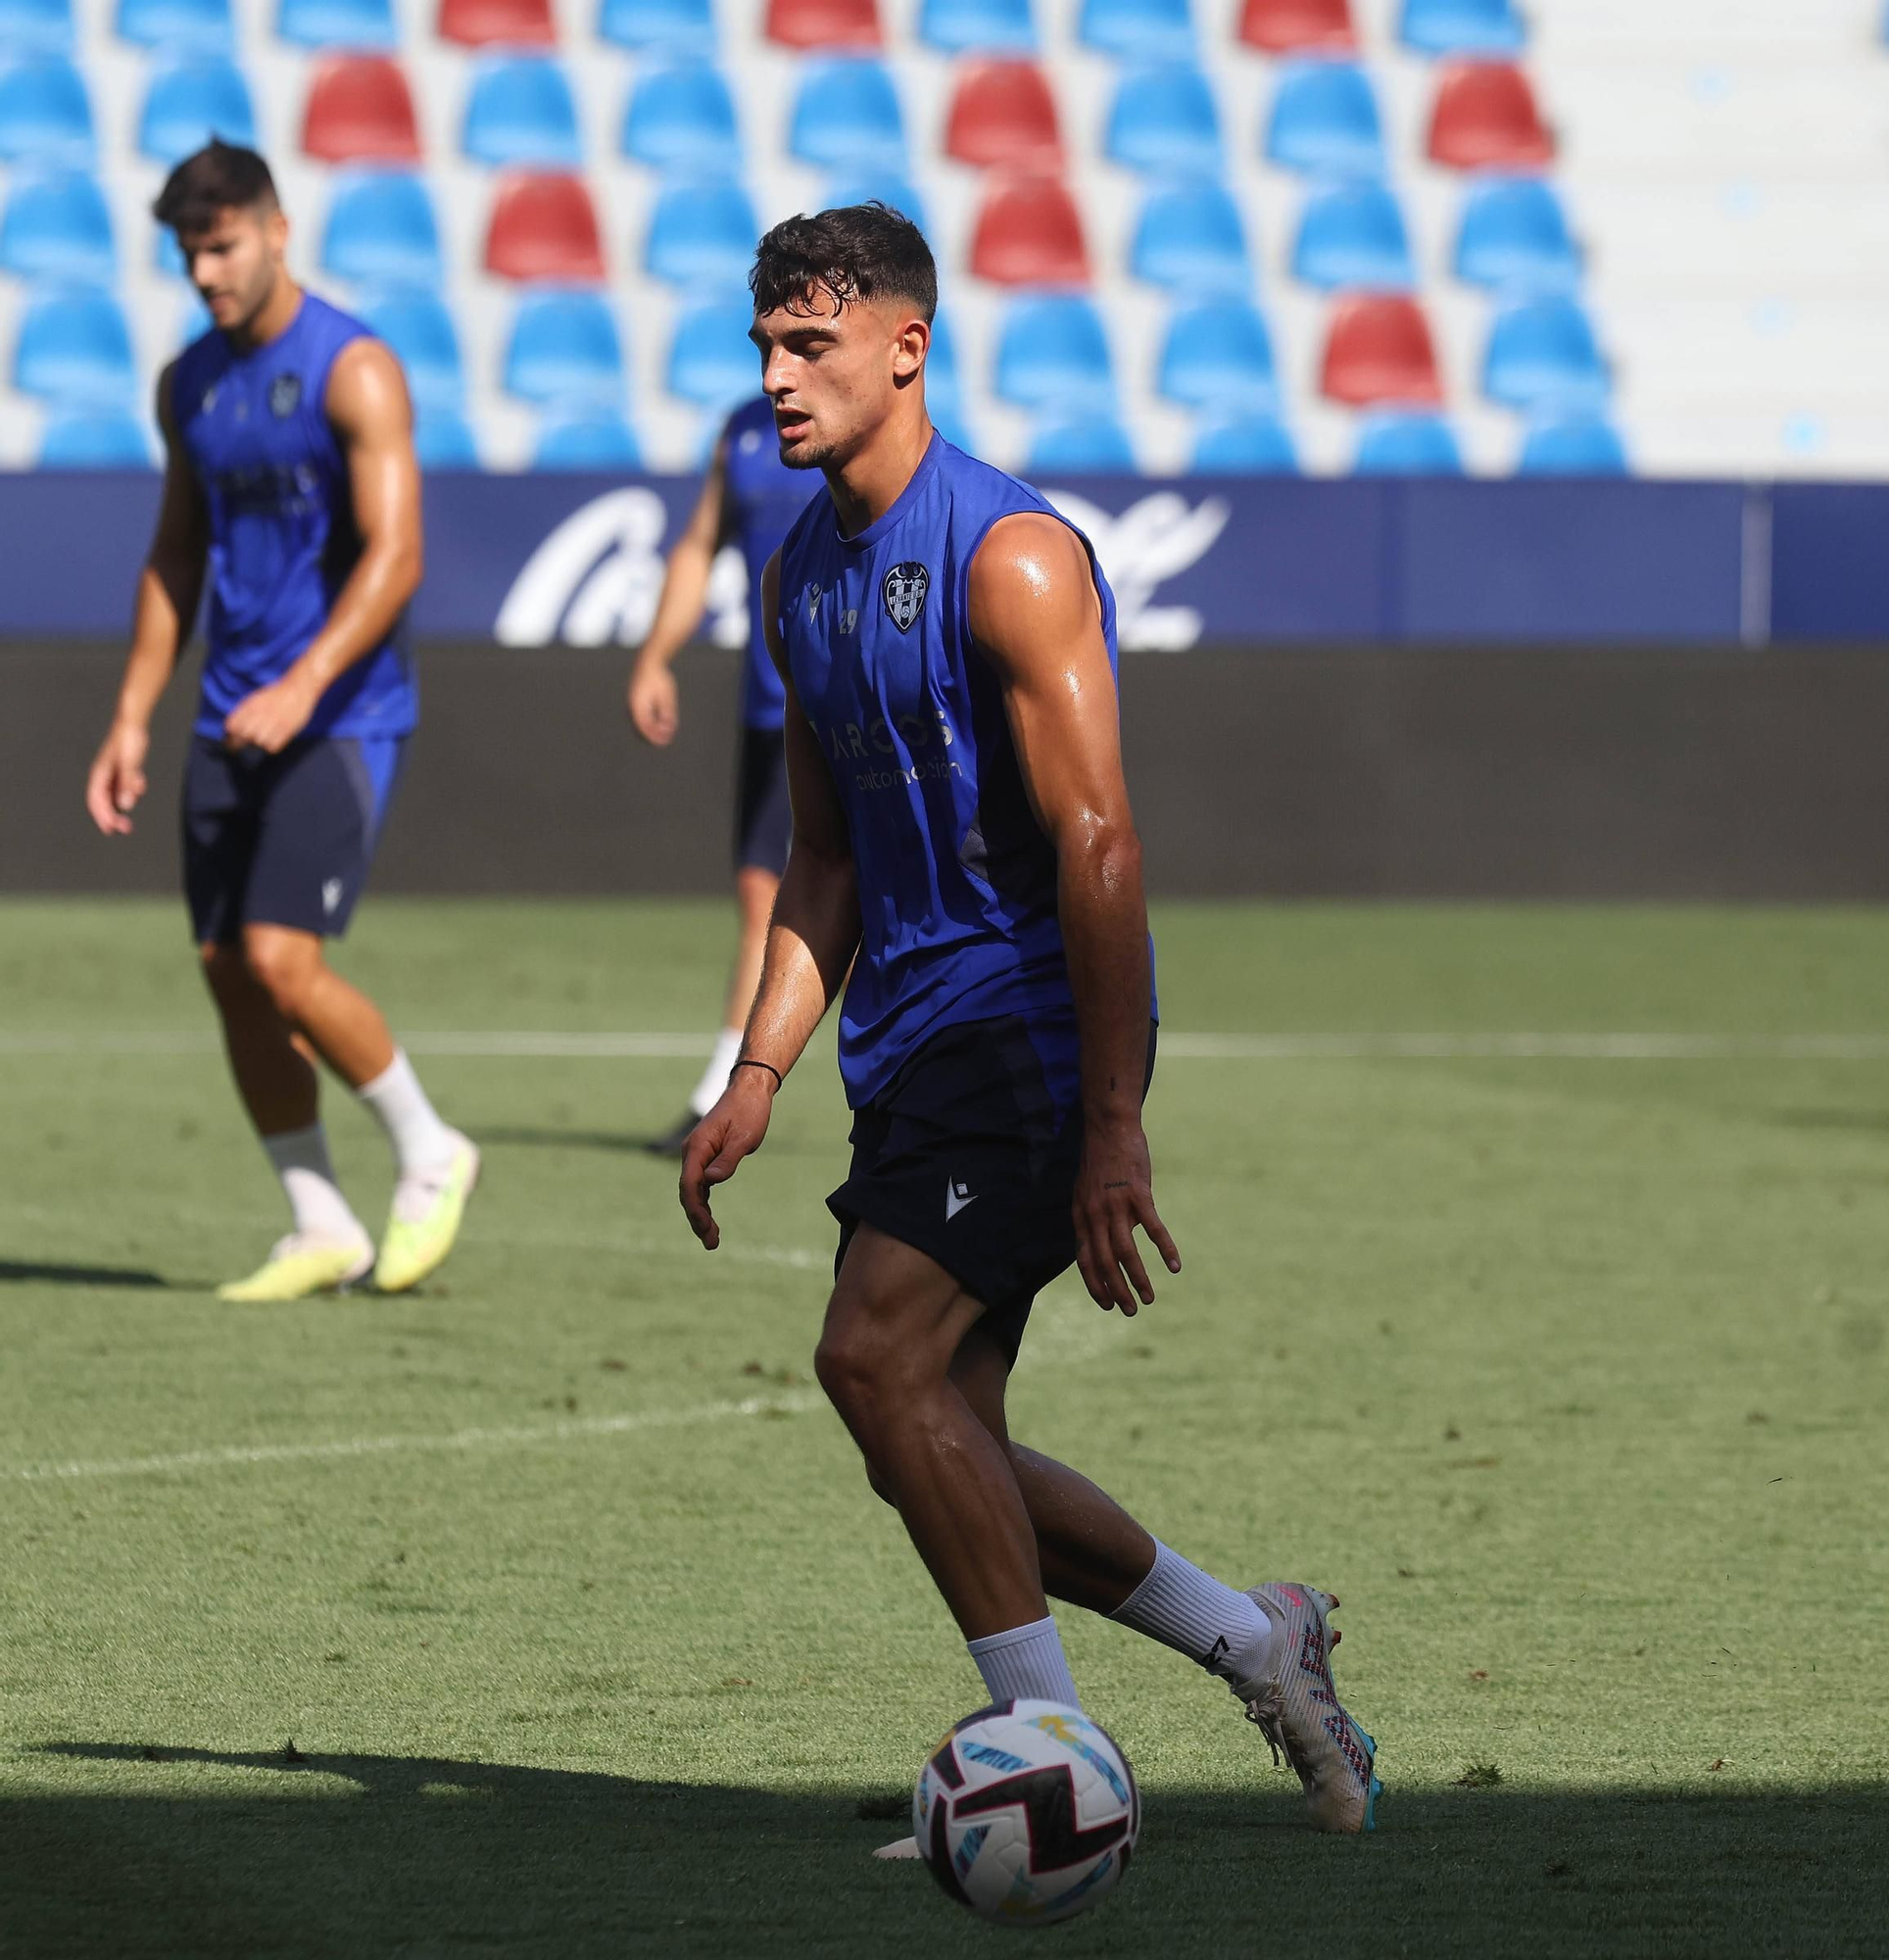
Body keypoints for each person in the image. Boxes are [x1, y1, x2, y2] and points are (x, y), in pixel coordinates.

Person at [679, 204, 1380, 1840]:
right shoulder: (801, 578)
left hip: (1031, 1023)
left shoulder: (1007, 554)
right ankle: (1255, 1639)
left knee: (869, 1356)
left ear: (904, 348)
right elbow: (827, 859)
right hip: (911, 1037)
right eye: (764, 349)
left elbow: (1098, 841)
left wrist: (1111, 1119)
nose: (778, 379)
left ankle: (1047, 1759)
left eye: (812, 346)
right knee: (942, 1430)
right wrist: (757, 1070)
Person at [83, 140, 479, 1302]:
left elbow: (399, 553)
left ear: (275, 228)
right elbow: (174, 552)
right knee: (224, 967)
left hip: (340, 715)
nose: (204, 271)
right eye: (188, 252)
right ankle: (318, 1217)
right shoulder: (188, 383)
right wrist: (128, 719)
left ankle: (429, 1148)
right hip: (225, 715)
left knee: (279, 957)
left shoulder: (354, 368)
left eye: (221, 245)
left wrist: (304, 684)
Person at [626, 395, 820, 1153]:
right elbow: (699, 544)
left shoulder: (855, 417)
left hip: (857, 702)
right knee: (761, 896)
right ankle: (725, 1089)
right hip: (770, 709)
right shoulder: (741, 431)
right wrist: (655, 655)